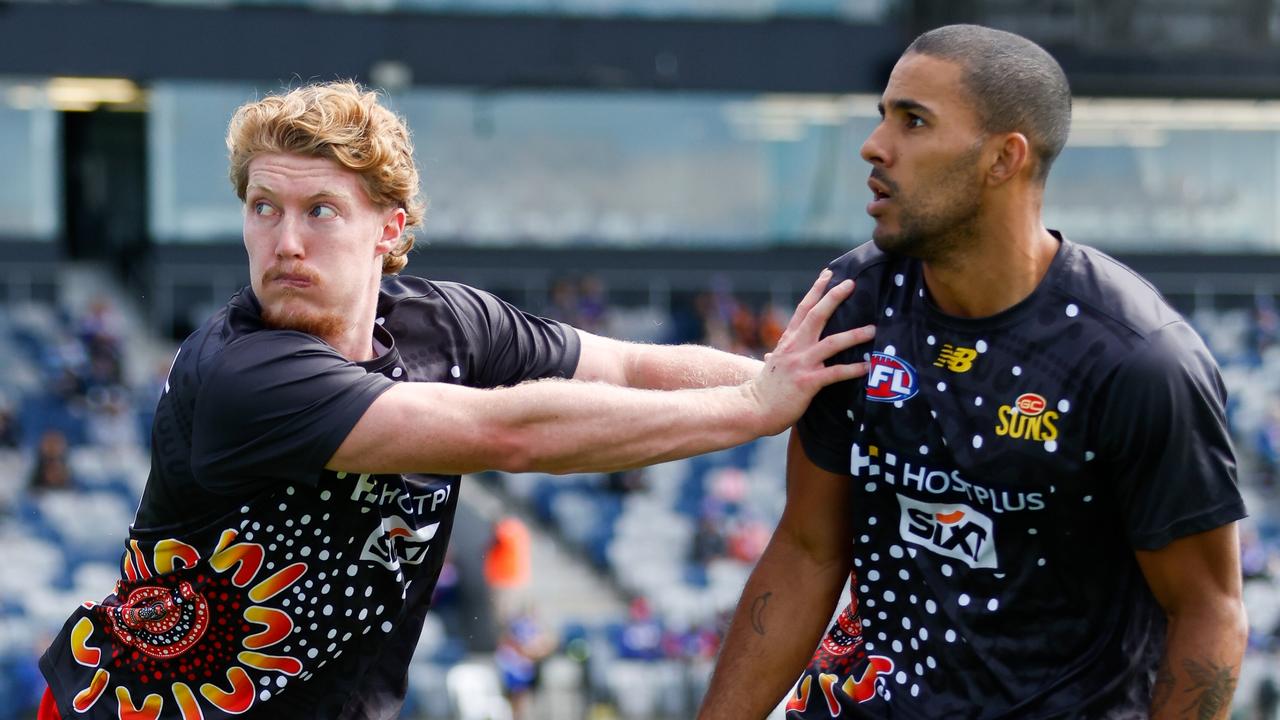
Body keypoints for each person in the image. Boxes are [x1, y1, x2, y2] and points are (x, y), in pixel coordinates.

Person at [35, 81, 875, 720]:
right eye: (264, 208)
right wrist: (755, 407)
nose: (284, 241)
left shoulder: (447, 324)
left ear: (389, 230)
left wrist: (795, 376)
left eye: (321, 210)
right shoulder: (242, 374)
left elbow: (625, 368)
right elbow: (503, 435)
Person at [698, 24, 1247, 720]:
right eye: (883, 116)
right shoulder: (854, 302)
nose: (874, 146)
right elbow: (808, 548)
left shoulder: (1140, 361)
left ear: (1002, 159)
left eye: (914, 121)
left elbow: (1209, 614)